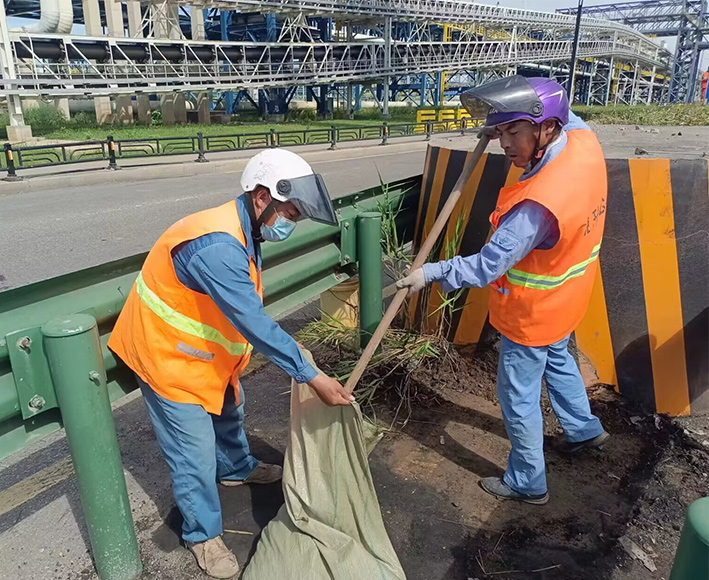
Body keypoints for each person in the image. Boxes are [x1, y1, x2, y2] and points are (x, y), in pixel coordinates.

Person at [109, 148, 354, 578]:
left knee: (228, 410)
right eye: (290, 213)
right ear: (262, 197)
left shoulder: (245, 228)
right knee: (194, 454)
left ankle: (237, 467)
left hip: (202, 352)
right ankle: (202, 535)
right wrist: (311, 374)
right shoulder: (217, 246)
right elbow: (254, 321)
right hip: (167, 357)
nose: (290, 224)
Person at [397, 76, 609, 506]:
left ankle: (528, 480)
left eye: (515, 132)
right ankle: (584, 430)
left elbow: (487, 265)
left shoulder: (535, 207)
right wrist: (499, 120)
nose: (504, 143)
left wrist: (431, 272)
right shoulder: (582, 142)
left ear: (546, 128)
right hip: (568, 300)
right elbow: (575, 117)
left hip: (530, 315)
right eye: (501, 131)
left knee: (518, 397)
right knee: (560, 360)